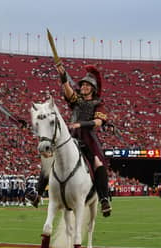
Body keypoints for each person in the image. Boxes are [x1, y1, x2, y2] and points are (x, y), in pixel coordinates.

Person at [30, 63, 112, 217]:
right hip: (71, 135)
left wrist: (81, 124)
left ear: (93, 88)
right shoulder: (77, 100)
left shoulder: (98, 104)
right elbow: (68, 93)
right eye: (83, 85)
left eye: (87, 85)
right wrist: (63, 77)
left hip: (88, 137)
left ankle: (104, 199)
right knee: (51, 158)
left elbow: (98, 122)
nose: (84, 87)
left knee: (98, 163)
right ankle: (37, 192)